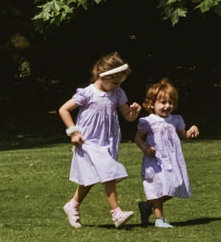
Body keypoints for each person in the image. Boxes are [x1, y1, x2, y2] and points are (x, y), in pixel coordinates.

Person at [56, 52, 141, 227]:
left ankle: (72, 205)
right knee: (108, 173)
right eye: (115, 82)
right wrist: (74, 132)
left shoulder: (117, 93)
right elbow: (64, 109)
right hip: (87, 141)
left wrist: (133, 113)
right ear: (103, 77)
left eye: (120, 83)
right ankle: (116, 213)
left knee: (93, 177)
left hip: (107, 140)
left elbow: (128, 116)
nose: (117, 86)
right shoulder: (87, 93)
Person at [134, 78, 200, 228]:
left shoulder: (176, 120)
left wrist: (191, 131)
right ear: (152, 104)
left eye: (170, 103)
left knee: (175, 186)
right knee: (160, 187)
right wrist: (145, 149)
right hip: (155, 160)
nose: (167, 106)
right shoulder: (148, 121)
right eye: (162, 103)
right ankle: (159, 219)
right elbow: (138, 138)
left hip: (173, 159)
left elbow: (183, 136)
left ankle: (147, 206)